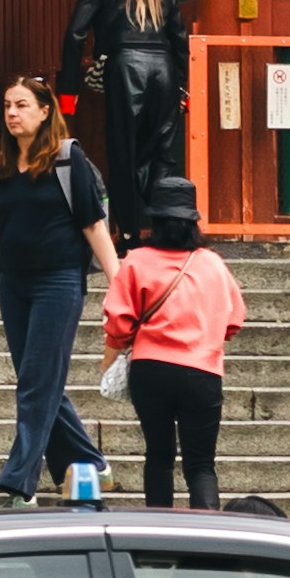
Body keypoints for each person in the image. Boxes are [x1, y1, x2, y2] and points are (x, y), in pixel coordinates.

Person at [0, 74, 112, 500]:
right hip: (14, 284)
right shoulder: (2, 165)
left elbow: (93, 224)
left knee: (36, 382)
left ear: (44, 111)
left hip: (59, 282)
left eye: (20, 105)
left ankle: (21, 480)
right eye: (7, 106)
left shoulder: (68, 159)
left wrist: (120, 281)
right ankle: (90, 463)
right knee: (39, 379)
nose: (12, 113)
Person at [100, 174, 244, 512]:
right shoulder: (212, 264)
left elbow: (118, 323)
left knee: (159, 456)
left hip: (150, 370)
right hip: (203, 372)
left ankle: (159, 534)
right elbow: (234, 319)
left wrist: (109, 359)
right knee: (201, 465)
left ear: (156, 221)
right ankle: (208, 535)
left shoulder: (136, 260)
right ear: (193, 222)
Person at [60, 0, 187, 230]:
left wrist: (68, 92)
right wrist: (183, 88)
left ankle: (130, 237)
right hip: (164, 70)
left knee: (122, 155)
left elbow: (75, 35)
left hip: (124, 68)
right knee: (160, 155)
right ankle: (167, 230)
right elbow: (180, 37)